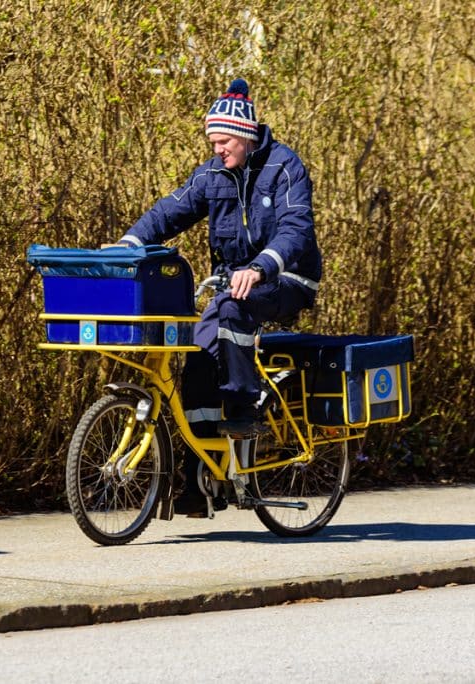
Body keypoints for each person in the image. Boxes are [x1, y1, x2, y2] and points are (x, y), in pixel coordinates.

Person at [113, 78, 321, 516]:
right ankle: (200, 477)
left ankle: (244, 410)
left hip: (286, 279)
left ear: (245, 136)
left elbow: (296, 229)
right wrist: (130, 242)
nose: (217, 149)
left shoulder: (285, 167)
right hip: (234, 287)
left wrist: (263, 266)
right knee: (198, 357)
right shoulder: (212, 175)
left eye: (223, 141)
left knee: (229, 308)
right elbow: (170, 211)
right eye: (212, 141)